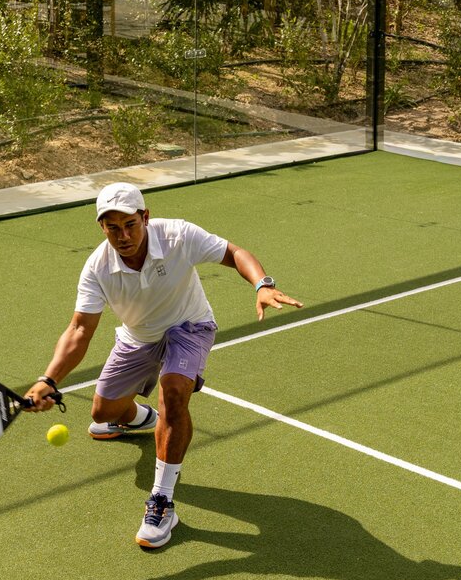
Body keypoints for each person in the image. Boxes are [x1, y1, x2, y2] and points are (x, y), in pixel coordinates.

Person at [24, 181, 302, 549]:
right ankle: (142, 419)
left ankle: (162, 502)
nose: (123, 235)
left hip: (189, 326)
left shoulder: (178, 236)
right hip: (137, 337)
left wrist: (262, 284)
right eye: (112, 227)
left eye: (130, 224)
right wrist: (49, 378)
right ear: (101, 227)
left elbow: (234, 253)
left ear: (145, 217)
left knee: (174, 393)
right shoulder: (97, 268)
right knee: (103, 413)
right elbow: (79, 329)